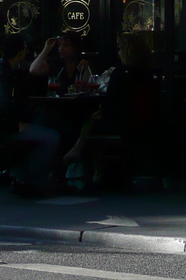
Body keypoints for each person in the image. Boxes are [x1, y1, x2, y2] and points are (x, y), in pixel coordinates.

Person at [65, 33, 157, 185]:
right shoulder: (147, 73)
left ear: (127, 51)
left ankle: (90, 166)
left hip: (123, 123)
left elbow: (111, 104)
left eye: (120, 48)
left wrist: (102, 110)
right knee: (94, 119)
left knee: (92, 121)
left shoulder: (120, 73)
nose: (118, 52)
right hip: (144, 122)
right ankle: (81, 156)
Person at [0, 33, 60, 197]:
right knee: (52, 137)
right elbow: (4, 105)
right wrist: (16, 125)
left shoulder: (1, 69)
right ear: (21, 52)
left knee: (41, 126)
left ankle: (21, 177)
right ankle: (33, 182)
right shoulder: (1, 72)